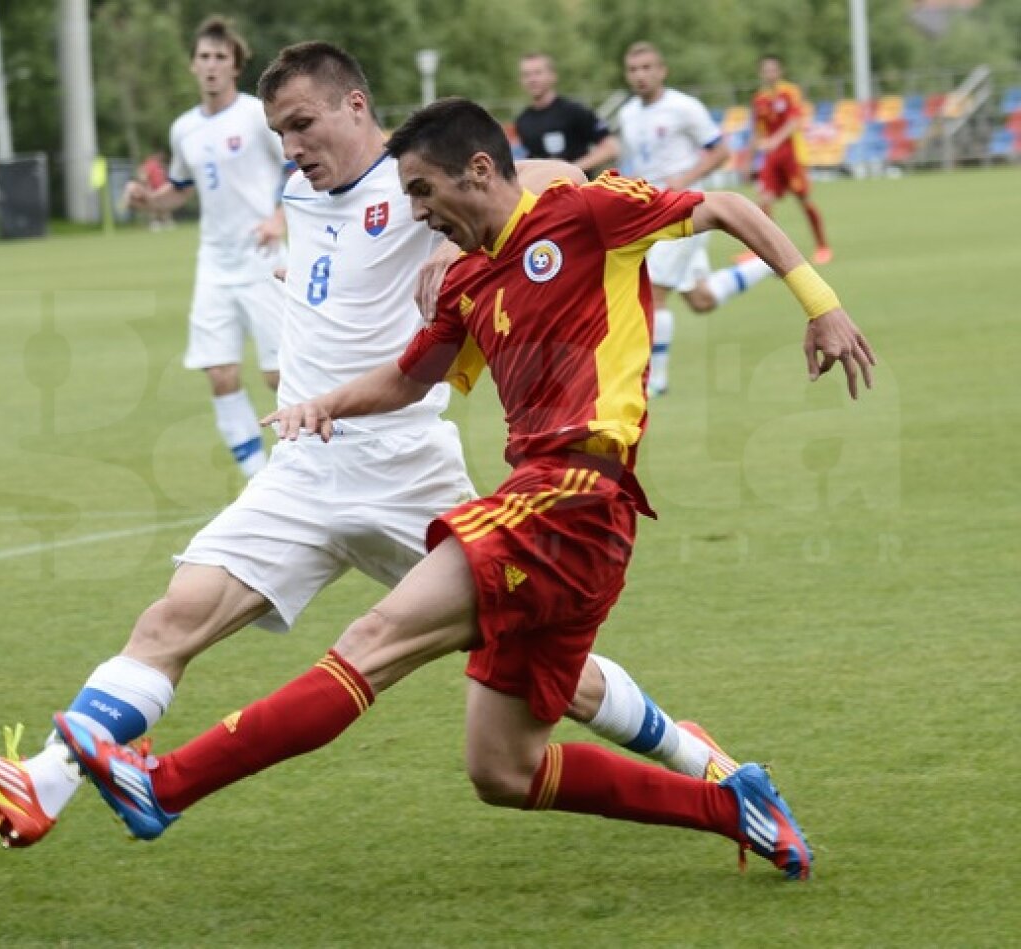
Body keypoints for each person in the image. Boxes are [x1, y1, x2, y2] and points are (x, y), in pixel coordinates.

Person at [0, 43, 738, 850]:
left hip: (406, 473)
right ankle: (42, 783)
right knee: (172, 619)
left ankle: (700, 761)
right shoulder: (299, 190)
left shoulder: (419, 176)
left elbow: (551, 185)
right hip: (303, 470)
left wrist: (455, 244)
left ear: (356, 107)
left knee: (542, 668)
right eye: (280, 131)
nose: (292, 146)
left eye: (303, 124)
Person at [52, 97, 877, 882]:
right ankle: (737, 809)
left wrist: (821, 305)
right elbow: (411, 380)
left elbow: (728, 206)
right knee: (502, 769)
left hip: (575, 494)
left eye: (422, 191)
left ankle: (163, 785)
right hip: (566, 521)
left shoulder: (586, 216)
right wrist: (323, 405)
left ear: (478, 171)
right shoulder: (466, 282)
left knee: (375, 637)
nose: (417, 213)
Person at [124, 15, 287, 479]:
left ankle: (302, 464)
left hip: (263, 260)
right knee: (219, 372)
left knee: (278, 376)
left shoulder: (257, 115)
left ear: (235, 66)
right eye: (204, 57)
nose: (211, 65)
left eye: (220, 57)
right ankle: (259, 476)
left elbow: (296, 170)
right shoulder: (184, 129)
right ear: (193, 66)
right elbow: (179, 189)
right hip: (215, 263)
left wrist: (278, 217)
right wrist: (149, 201)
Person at [618, 42, 777, 397]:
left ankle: (656, 382)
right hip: (649, 214)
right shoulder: (628, 114)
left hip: (684, 212)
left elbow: (721, 151)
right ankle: (763, 265)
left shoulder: (683, 107)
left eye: (647, 67)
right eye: (633, 69)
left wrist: (684, 181)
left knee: (652, 293)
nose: (640, 75)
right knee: (700, 299)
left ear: (662, 70)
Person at [752, 54, 831, 265]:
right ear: (761, 73)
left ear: (780, 72)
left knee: (803, 200)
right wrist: (750, 158)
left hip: (792, 155)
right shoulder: (759, 99)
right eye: (765, 70)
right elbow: (758, 131)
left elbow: (794, 120)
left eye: (773, 70)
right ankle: (763, 252)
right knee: (764, 201)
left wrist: (775, 140)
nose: (769, 74)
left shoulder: (790, 92)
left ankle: (822, 246)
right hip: (771, 157)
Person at [515, 53, 619, 175]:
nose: (532, 79)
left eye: (538, 73)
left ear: (553, 76)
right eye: (527, 75)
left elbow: (611, 148)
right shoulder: (523, 121)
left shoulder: (574, 111)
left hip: (578, 189)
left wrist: (571, 169)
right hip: (543, 191)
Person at [138, 151, 174, 230]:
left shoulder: (159, 165)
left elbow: (164, 176)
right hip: (153, 189)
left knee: (164, 206)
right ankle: (155, 223)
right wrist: (147, 187)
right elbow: (143, 177)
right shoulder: (149, 165)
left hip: (162, 189)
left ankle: (166, 222)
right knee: (153, 207)